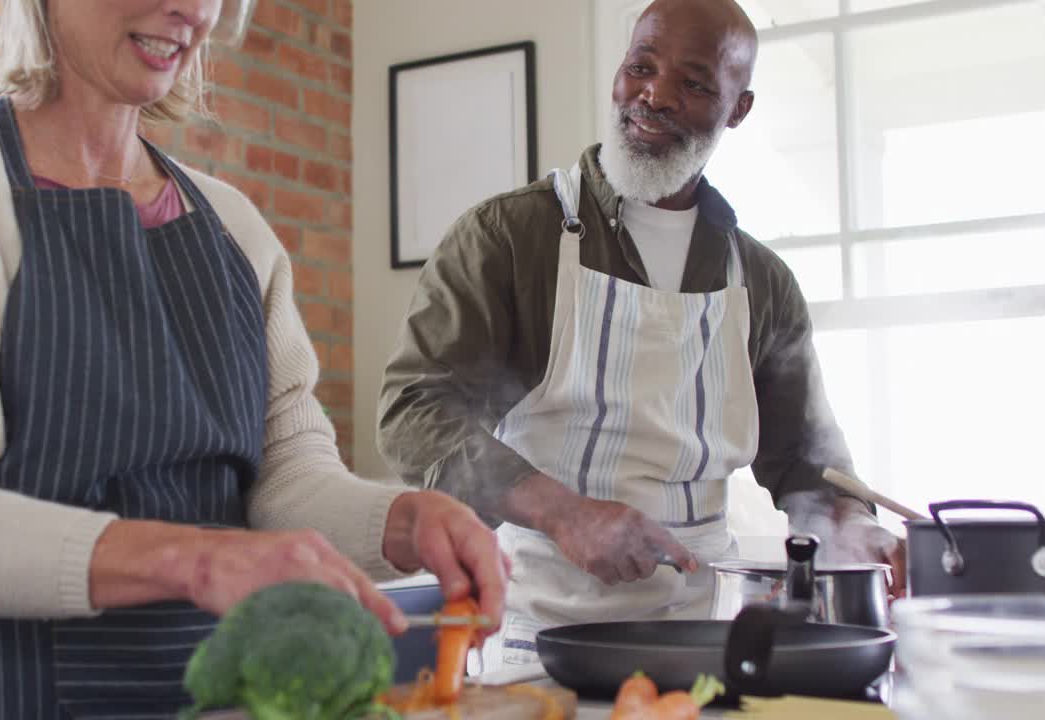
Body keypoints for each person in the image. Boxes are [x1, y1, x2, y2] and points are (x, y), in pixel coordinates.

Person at [0, 1, 506, 716]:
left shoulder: (235, 231)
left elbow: (288, 480)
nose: (192, 9)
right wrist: (193, 559)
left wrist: (407, 519)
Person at [377, 0, 905, 670]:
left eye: (694, 83)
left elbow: (806, 465)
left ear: (738, 108)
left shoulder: (762, 283)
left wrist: (855, 527)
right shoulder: (511, 238)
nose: (654, 96)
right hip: (530, 634)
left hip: (703, 639)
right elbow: (413, 412)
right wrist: (566, 513)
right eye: (642, 67)